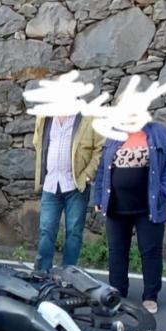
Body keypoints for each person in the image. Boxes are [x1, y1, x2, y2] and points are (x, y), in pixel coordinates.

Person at [93, 121, 166, 314]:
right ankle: (118, 294)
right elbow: (103, 168)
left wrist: (162, 192)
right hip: (116, 205)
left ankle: (150, 296)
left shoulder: (159, 133)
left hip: (148, 207)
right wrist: (99, 196)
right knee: (117, 251)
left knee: (150, 252)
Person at [32, 114, 104, 271]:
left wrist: (87, 175)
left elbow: (99, 148)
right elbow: (38, 143)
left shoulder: (89, 118)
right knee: (46, 231)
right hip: (51, 184)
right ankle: (42, 273)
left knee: (74, 233)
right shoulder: (44, 117)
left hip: (75, 185)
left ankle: (68, 274)